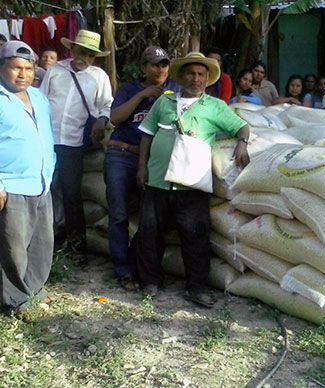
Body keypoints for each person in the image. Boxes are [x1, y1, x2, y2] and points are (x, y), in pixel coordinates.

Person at [136, 52, 250, 307]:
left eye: (201, 74)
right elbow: (146, 135)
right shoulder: (164, 103)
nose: (196, 78)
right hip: (157, 179)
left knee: (195, 236)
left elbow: (242, 126)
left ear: (208, 79)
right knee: (150, 232)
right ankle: (150, 281)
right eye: (191, 73)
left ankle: (196, 287)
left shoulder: (215, 106)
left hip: (191, 183)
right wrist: (141, 167)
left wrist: (242, 143)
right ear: (181, 76)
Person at [106, 46, 178, 291]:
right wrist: (143, 95)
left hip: (152, 161)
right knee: (118, 215)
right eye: (154, 64)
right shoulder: (129, 89)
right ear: (143, 68)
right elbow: (114, 119)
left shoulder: (174, 93)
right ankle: (122, 269)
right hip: (120, 154)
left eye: (164, 64)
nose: (160, 69)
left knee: (153, 217)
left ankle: (136, 263)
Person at [40, 29, 113, 260]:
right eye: (83, 52)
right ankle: (45, 241)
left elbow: (106, 105)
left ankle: (76, 246)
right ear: (72, 49)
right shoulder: (55, 71)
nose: (86, 58)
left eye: (91, 55)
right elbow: (40, 101)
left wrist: (101, 121)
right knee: (45, 190)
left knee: (71, 193)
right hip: (46, 140)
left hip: (73, 142)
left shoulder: (98, 76)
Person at [0, 41, 56, 313]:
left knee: (42, 242)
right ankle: (15, 299)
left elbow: (46, 135)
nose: (22, 74)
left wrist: (51, 167)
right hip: (12, 183)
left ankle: (35, 287)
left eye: (28, 68)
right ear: (2, 68)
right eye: (15, 68)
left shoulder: (39, 98)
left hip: (41, 181)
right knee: (14, 246)